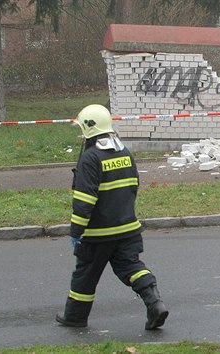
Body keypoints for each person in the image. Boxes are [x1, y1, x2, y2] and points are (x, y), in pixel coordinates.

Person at [56, 104, 168, 330]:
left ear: (88, 128)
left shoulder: (90, 158)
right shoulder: (125, 153)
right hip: (127, 229)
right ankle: (155, 303)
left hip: (97, 235)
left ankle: (75, 317)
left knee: (85, 276)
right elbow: (133, 187)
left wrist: (76, 233)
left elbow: (84, 202)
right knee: (132, 268)